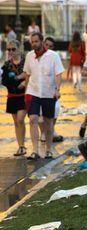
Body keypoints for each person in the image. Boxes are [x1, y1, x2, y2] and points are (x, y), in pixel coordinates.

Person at [24, 32, 64, 160]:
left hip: (48, 92)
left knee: (48, 121)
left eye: (36, 41)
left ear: (42, 41)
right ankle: (35, 151)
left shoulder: (53, 56)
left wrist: (57, 89)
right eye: (32, 41)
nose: (34, 43)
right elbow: (27, 74)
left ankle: (48, 149)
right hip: (33, 91)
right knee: (33, 119)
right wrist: (25, 90)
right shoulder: (29, 56)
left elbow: (58, 74)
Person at [1, 40, 27, 156]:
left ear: (19, 49)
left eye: (13, 49)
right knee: (16, 122)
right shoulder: (6, 65)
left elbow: (32, 74)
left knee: (21, 119)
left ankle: (23, 145)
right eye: (9, 49)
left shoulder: (26, 62)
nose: (11, 51)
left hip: (23, 95)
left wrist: (25, 83)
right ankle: (21, 146)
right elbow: (4, 81)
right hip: (12, 96)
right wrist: (13, 80)